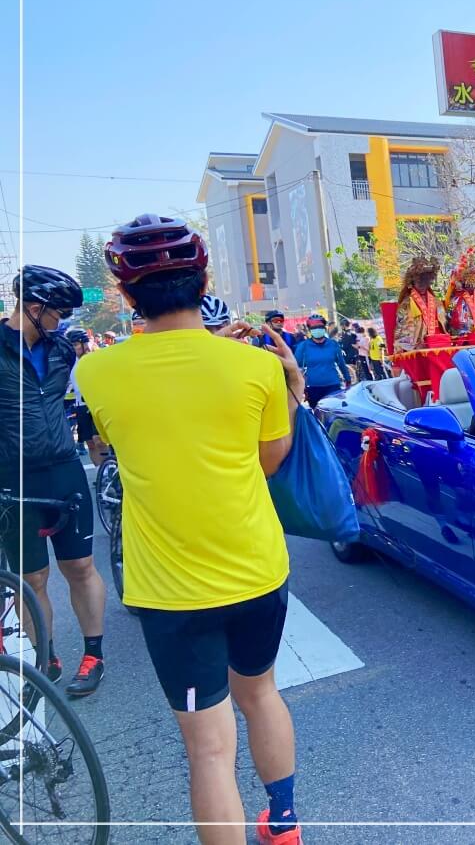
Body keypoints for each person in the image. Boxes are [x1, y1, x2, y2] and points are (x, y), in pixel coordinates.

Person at [77, 213, 306, 845]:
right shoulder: (256, 367)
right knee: (261, 694)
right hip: (257, 569)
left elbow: (116, 445)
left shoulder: (96, 373)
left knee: (208, 748)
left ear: (125, 295)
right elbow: (269, 461)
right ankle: (284, 824)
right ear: (204, 282)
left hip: (170, 591)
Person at [0, 266, 107, 694]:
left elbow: (91, 396)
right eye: (57, 313)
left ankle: (94, 655)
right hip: (14, 477)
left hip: (64, 470)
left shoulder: (63, 349)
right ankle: (46, 658)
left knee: (80, 567)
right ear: (33, 307)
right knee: (32, 580)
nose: (62, 322)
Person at [66, 329, 108, 467]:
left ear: (85, 344)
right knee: (90, 443)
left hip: (97, 404)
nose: (74, 348)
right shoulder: (70, 362)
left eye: (76, 344)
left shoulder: (97, 358)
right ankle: (100, 472)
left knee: (99, 440)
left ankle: (108, 469)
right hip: (81, 405)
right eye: (71, 345)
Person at [294, 316, 352, 405]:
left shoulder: (333, 344)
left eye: (320, 327)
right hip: (313, 387)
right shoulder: (303, 346)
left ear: (324, 328)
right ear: (309, 330)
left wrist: (348, 379)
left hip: (333, 386)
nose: (317, 329)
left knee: (334, 411)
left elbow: (341, 363)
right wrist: (301, 387)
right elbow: (296, 367)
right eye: (314, 328)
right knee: (316, 412)